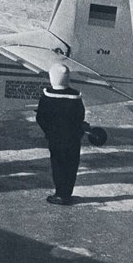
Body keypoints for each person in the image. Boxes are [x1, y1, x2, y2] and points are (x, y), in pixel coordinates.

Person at [36, 63, 85, 205]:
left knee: (58, 165)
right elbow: (80, 117)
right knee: (71, 166)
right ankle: (67, 193)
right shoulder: (76, 96)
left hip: (56, 139)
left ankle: (60, 194)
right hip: (73, 139)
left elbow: (41, 118)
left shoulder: (47, 95)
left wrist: (48, 132)